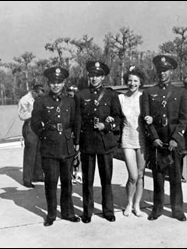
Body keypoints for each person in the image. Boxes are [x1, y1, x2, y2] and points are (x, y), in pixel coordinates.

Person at [31, 67, 80, 226]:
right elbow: (35, 124)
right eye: (53, 82)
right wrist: (46, 136)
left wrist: (75, 142)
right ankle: (51, 214)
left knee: (67, 183)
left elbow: (75, 122)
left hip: (66, 147)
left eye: (59, 82)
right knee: (51, 183)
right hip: (49, 147)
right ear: (48, 83)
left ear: (64, 83)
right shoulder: (41, 101)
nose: (56, 85)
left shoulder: (70, 101)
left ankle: (68, 212)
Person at [74, 61, 122, 223]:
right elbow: (78, 119)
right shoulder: (81, 95)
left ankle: (108, 210)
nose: (94, 78)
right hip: (87, 142)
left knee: (106, 179)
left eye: (97, 76)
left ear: (103, 77)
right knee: (87, 180)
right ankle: (87, 212)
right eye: (91, 75)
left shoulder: (111, 95)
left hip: (104, 142)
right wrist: (77, 142)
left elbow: (118, 117)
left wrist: (106, 125)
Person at [142, 55, 187, 222]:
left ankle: (177, 210)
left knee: (176, 177)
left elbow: (184, 119)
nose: (162, 73)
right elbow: (146, 118)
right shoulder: (149, 92)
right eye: (160, 70)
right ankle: (157, 208)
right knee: (158, 177)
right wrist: (153, 137)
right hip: (158, 141)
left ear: (171, 71)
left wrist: (176, 138)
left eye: (166, 70)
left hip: (173, 141)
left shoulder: (181, 92)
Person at [118, 66, 147, 217]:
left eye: (135, 80)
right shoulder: (121, 98)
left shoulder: (144, 97)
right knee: (133, 175)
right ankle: (128, 203)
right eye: (129, 80)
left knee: (141, 175)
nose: (132, 83)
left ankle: (137, 205)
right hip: (127, 139)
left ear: (140, 82)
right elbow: (116, 117)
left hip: (142, 140)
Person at [17, 82, 45, 188]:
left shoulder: (39, 98)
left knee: (39, 152)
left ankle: (38, 175)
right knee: (30, 153)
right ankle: (27, 179)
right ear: (33, 92)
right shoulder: (24, 100)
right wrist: (35, 114)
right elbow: (21, 114)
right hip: (29, 126)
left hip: (39, 126)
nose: (39, 97)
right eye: (38, 95)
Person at [67, 85, 82, 185]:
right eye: (69, 95)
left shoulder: (80, 104)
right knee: (70, 153)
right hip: (70, 131)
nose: (71, 96)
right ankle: (71, 173)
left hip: (80, 131)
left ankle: (79, 173)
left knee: (79, 153)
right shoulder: (66, 104)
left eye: (73, 94)